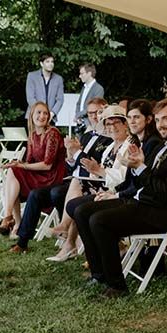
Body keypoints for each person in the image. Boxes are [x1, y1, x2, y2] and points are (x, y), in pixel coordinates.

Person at [73, 98, 167, 297]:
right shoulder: (163, 147)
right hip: (141, 201)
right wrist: (136, 166)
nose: (161, 125)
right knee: (81, 211)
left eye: (166, 119)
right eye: (158, 120)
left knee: (99, 220)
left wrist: (140, 168)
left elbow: (166, 193)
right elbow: (143, 179)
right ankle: (99, 275)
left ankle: (117, 286)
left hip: (159, 213)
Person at [46, 105, 134, 261]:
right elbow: (80, 167)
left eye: (116, 122)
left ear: (125, 124)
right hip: (103, 185)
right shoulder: (110, 147)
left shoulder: (130, 146)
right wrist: (72, 154)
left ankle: (69, 235)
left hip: (117, 192)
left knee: (79, 202)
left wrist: (97, 169)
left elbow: (123, 178)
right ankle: (74, 241)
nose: (112, 127)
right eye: (108, 123)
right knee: (77, 188)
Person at [0, 101, 66, 237]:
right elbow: (28, 162)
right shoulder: (32, 135)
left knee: (15, 174)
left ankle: (11, 220)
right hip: (39, 175)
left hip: (52, 176)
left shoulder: (52, 133)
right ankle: (15, 221)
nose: (42, 116)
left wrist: (21, 166)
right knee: (13, 174)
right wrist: (16, 164)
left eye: (45, 113)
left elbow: (48, 165)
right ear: (32, 115)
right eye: (39, 112)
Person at [25, 53, 64, 121]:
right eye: (47, 61)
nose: (51, 64)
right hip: (34, 116)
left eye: (52, 61)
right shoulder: (32, 76)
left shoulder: (58, 79)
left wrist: (52, 113)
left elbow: (60, 99)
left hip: (50, 117)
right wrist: (41, 113)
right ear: (41, 64)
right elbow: (30, 98)